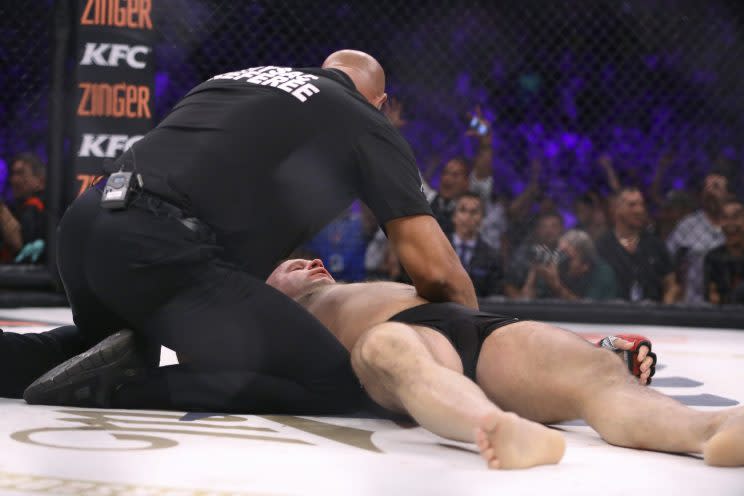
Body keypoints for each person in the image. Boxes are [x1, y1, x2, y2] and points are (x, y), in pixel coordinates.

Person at [16, 50, 477, 413]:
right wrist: (478, 344)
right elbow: (437, 271)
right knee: (339, 381)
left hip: (86, 226)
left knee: (93, 348)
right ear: (381, 104)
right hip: (156, 247)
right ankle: (124, 388)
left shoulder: (238, 80)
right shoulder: (364, 119)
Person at [263, 258, 744, 468]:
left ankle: (709, 429)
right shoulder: (280, 324)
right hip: (407, 343)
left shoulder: (357, 286)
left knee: (594, 371)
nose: (310, 264)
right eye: (291, 267)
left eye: (309, 260)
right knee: (389, 347)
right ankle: (496, 426)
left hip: (474, 325)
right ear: (262, 293)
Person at [597, 187, 678, 303]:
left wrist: (663, 312)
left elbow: (671, 285)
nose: (639, 210)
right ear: (617, 209)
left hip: (651, 314)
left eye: (641, 204)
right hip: (614, 315)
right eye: (632, 205)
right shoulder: (603, 246)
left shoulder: (655, 245)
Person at [666, 172, 728, 303]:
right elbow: (668, 260)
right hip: (694, 302)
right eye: (706, 187)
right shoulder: (687, 226)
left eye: (716, 187)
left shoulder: (737, 225)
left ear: (728, 194)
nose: (709, 192)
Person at [518, 229, 617, 300]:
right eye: (560, 253)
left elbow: (589, 311)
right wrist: (534, 273)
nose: (562, 261)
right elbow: (525, 302)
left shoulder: (602, 273)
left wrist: (557, 287)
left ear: (585, 264)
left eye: (567, 258)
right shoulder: (554, 269)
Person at [449, 192, 503, 297]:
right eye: (463, 210)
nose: (468, 216)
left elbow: (495, 295)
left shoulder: (492, 257)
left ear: (482, 219)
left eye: (474, 212)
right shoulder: (438, 248)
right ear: (454, 216)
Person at [0, 152, 47, 263]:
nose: (14, 180)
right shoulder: (18, 206)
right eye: (13, 174)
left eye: (21, 174)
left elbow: (18, 244)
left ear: (40, 181)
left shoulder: (38, 205)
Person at [704, 198, 744, 304]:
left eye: (736, 217)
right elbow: (711, 295)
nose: (730, 223)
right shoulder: (713, 257)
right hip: (724, 315)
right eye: (725, 217)